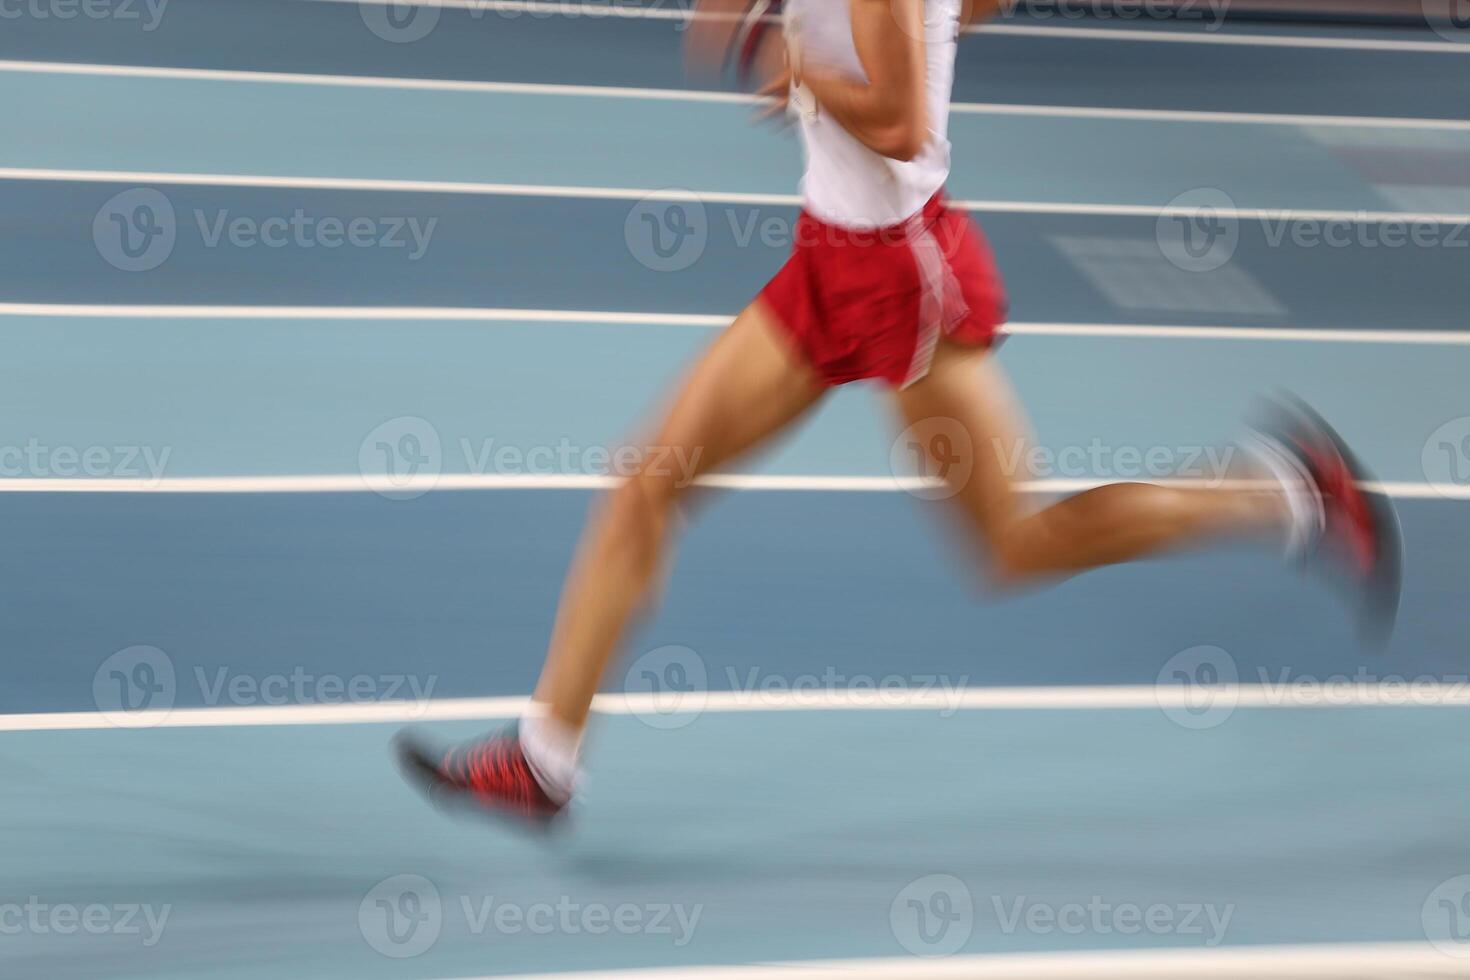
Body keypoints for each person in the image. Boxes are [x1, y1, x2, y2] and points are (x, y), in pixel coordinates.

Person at [396, 0, 1401, 825]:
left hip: (902, 284)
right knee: (644, 480)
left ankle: (1289, 488)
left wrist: (797, 65)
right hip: (828, 264)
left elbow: (899, 125)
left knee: (1016, 543)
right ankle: (544, 759)